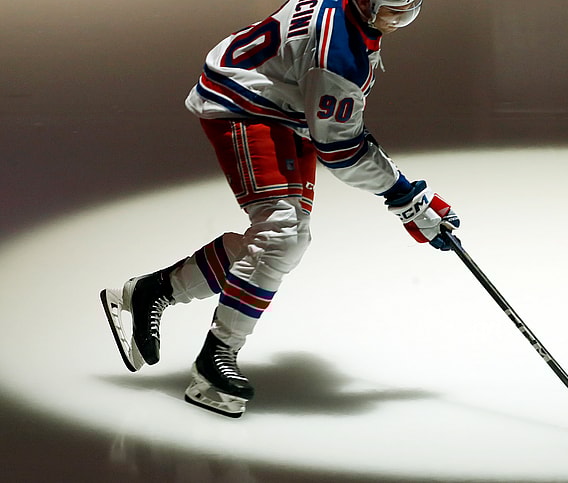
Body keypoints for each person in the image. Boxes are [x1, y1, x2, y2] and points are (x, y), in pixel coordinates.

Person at [99, 0, 458, 418]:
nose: (395, 19)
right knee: (281, 235)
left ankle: (152, 291)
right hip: (246, 103)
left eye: (407, 9)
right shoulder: (338, 56)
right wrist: (409, 199)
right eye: (388, 9)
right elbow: (342, 151)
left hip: (281, 103)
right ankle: (214, 361)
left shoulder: (349, 25)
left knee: (285, 240)